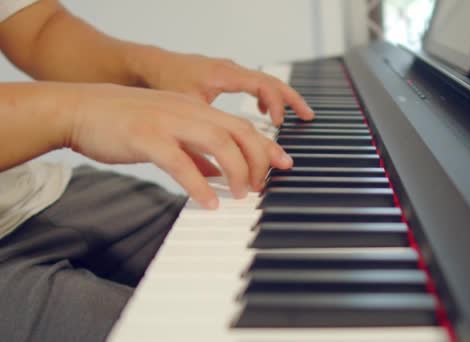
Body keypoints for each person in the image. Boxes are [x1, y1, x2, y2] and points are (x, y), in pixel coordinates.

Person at [0, 1, 314, 341]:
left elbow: (39, 29)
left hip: (39, 194)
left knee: (289, 267)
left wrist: (151, 65)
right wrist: (75, 112)